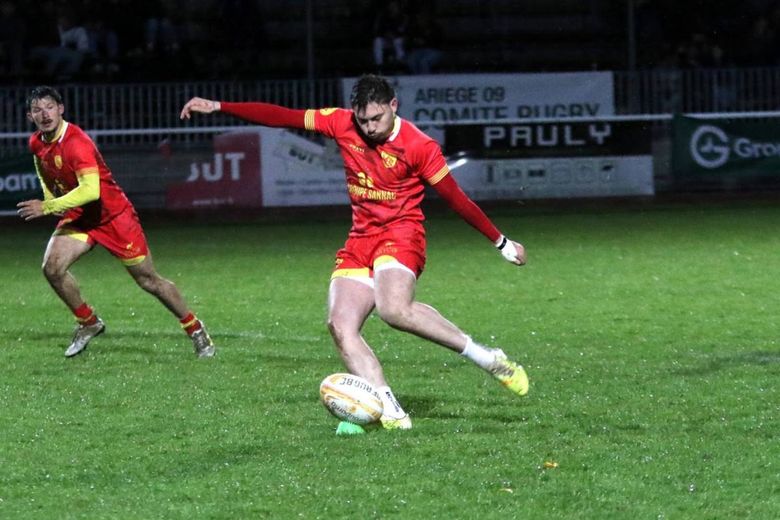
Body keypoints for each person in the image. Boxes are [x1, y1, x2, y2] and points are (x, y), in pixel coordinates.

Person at [180, 74, 528, 430]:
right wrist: (221, 107)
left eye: (376, 118)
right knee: (340, 325)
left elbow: (456, 198)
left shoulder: (419, 146)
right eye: (363, 120)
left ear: (394, 106)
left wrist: (500, 242)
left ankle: (485, 358)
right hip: (361, 238)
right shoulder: (340, 122)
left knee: (394, 310)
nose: (369, 127)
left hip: (402, 234)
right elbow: (283, 116)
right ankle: (392, 411)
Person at [17, 86, 215, 359]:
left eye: (49, 107)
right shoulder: (36, 142)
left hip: (113, 217)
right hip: (80, 215)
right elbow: (42, 165)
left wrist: (48, 205)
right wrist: (49, 194)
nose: (45, 114)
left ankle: (195, 329)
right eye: (38, 110)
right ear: (30, 116)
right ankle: (89, 323)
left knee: (148, 280)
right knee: (52, 268)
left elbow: (91, 191)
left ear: (61, 109)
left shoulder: (77, 142)